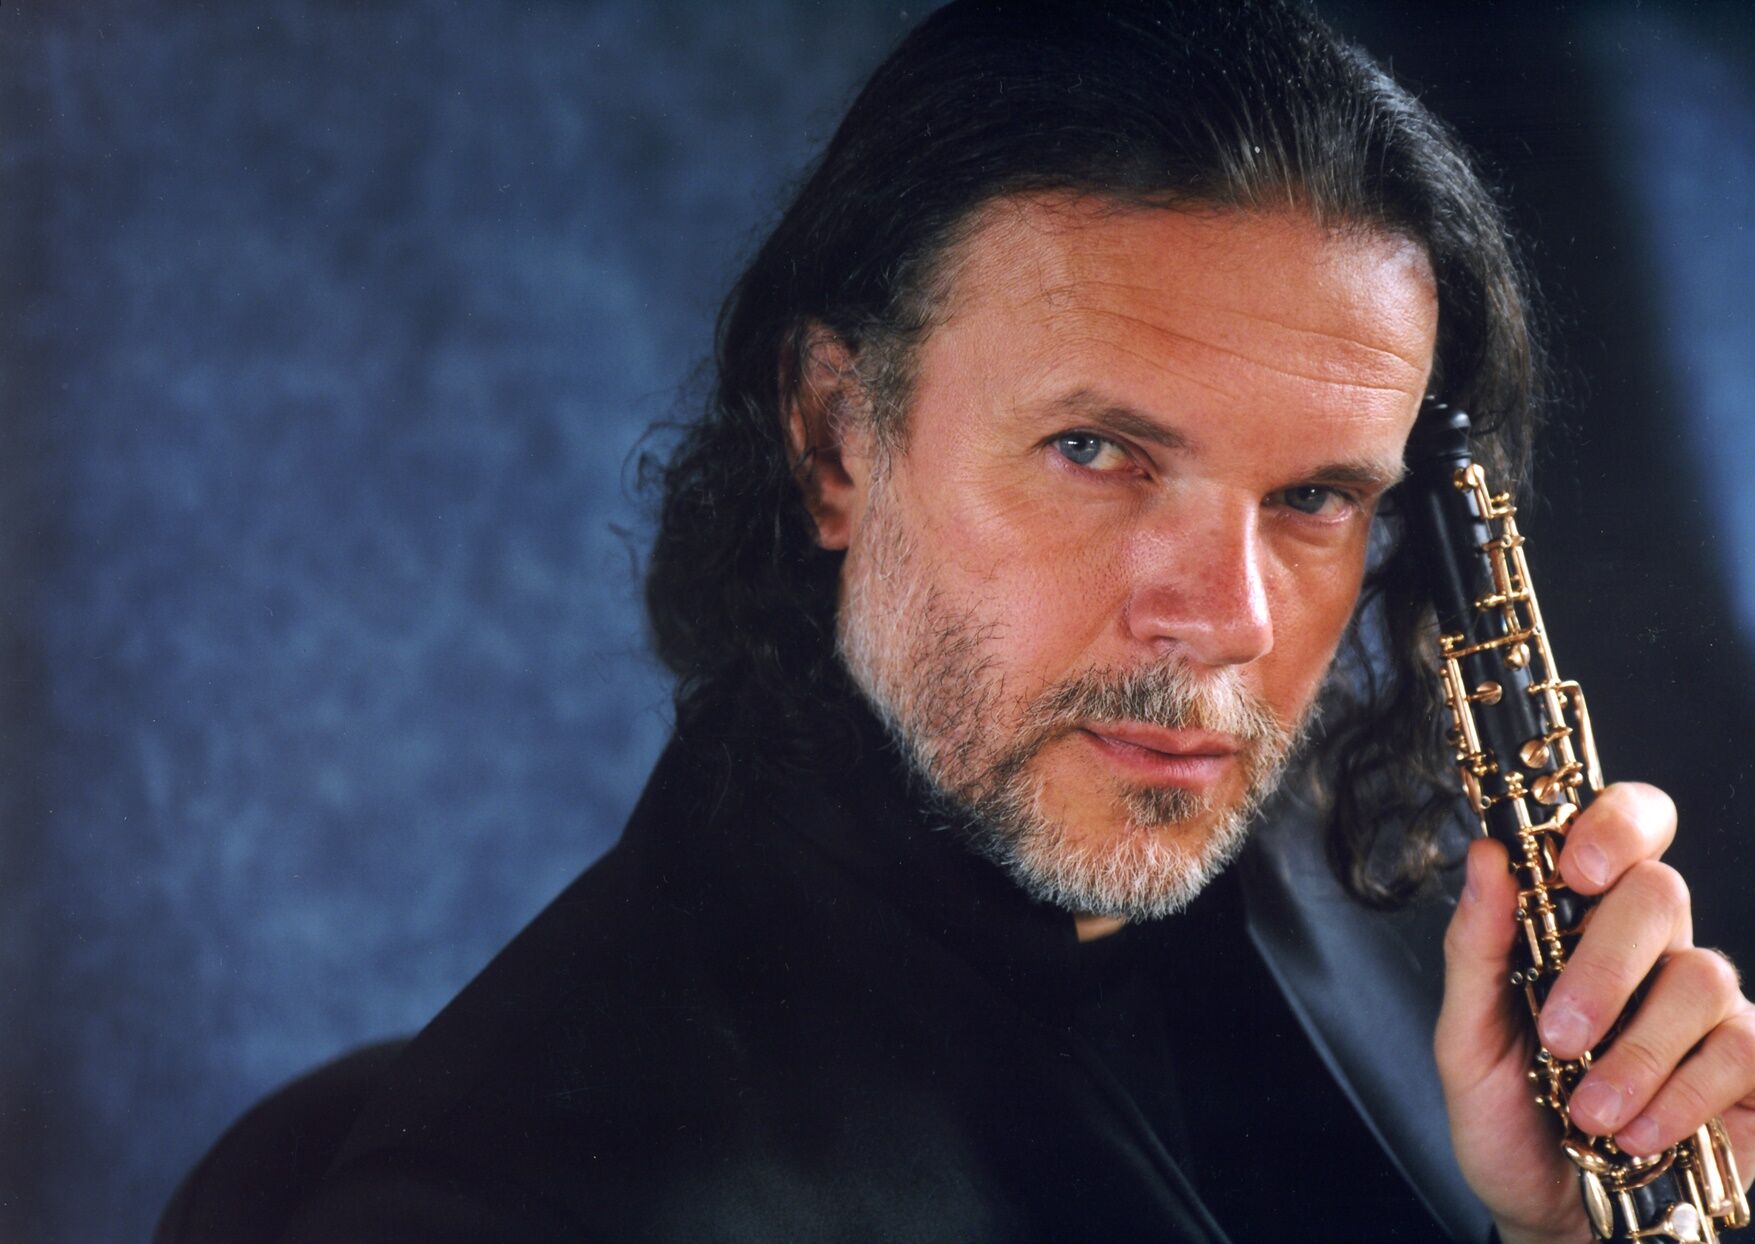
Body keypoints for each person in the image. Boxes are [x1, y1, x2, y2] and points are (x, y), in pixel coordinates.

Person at [159, 2, 1755, 1241]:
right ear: (833, 438)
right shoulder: (516, 1199)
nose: (1226, 620)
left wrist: (1559, 1226)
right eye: (1097, 452)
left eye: (1315, 497)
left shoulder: (1409, 937)